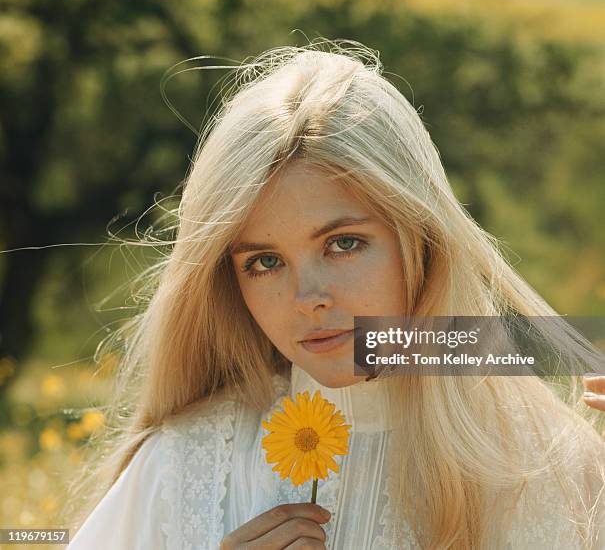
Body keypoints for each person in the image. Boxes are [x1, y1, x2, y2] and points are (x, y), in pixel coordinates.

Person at [64, 40, 605, 549]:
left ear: (423, 240)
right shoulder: (182, 464)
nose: (308, 297)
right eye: (265, 262)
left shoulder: (550, 465)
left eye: (343, 243)